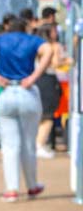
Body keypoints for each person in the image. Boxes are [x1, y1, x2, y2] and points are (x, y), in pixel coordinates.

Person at [0, 17, 53, 202]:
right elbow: (48, 50)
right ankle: (32, 185)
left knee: (9, 146)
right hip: (28, 91)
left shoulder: (1, 40)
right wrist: (35, 76)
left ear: (8, 28)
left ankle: (11, 189)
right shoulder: (32, 40)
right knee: (28, 144)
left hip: (6, 91)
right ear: (26, 28)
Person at [34, 23, 64, 159]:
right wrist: (66, 60)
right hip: (49, 80)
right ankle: (39, 144)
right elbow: (56, 63)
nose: (56, 33)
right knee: (48, 116)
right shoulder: (53, 46)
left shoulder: (36, 45)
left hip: (36, 80)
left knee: (40, 114)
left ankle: (38, 143)